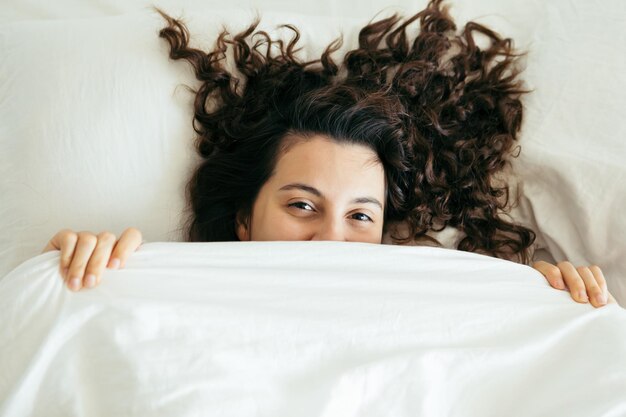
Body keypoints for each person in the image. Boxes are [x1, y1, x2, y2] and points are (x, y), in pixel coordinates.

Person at [42, 0, 617, 307]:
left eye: (361, 215)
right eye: (301, 205)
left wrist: (545, 308)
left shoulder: (439, 301)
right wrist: (86, 272)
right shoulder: (167, 291)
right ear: (244, 220)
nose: (332, 239)